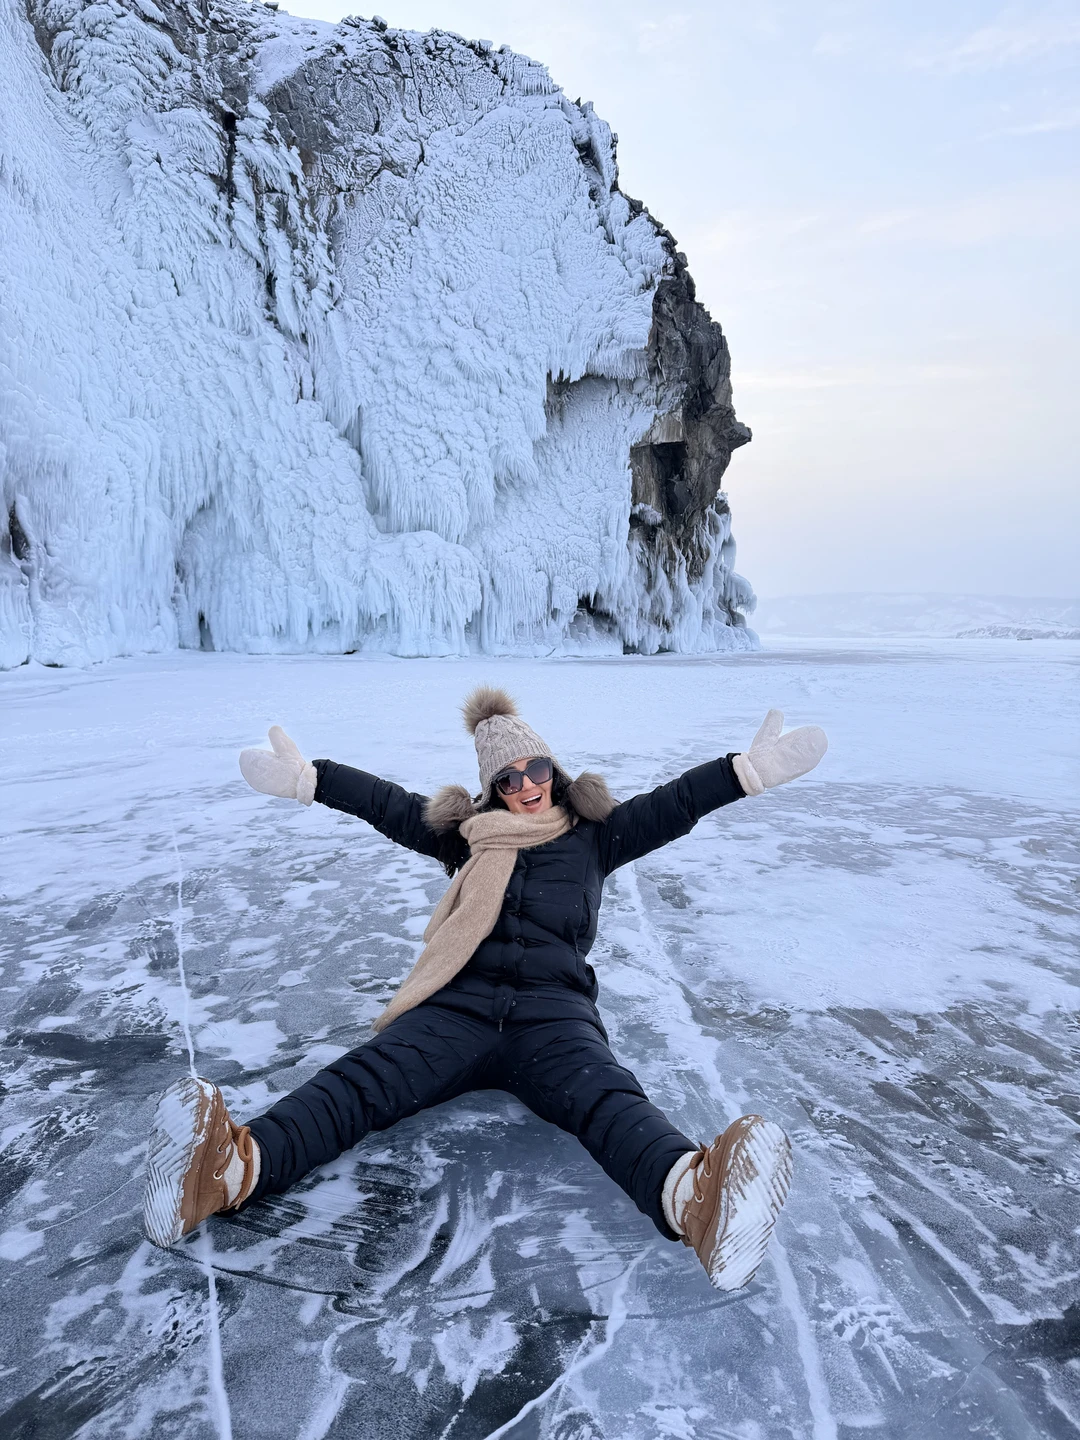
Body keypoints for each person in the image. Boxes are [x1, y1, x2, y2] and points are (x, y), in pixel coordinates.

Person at [143, 687, 827, 1290]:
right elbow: (387, 805)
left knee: (604, 1098)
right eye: (508, 777)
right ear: (492, 788)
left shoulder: (598, 836)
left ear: (553, 770)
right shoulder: (468, 840)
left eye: (535, 768)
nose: (526, 784)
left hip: (553, 1015)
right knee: (361, 1084)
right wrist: (311, 778)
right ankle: (227, 1173)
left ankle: (696, 1201)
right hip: (457, 1009)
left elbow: (676, 803)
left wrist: (744, 772)